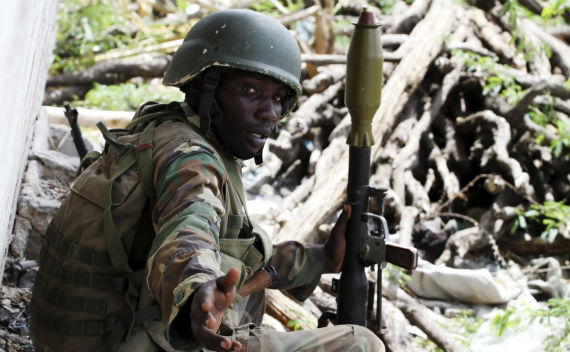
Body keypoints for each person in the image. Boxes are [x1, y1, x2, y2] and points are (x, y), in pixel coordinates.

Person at [30, 9, 385, 352]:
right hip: (127, 338)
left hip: (93, 335)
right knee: (360, 344)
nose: (270, 112)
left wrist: (323, 258)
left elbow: (235, 248)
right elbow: (189, 229)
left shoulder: (162, 130)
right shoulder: (192, 159)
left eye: (278, 98)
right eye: (250, 91)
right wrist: (198, 291)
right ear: (204, 88)